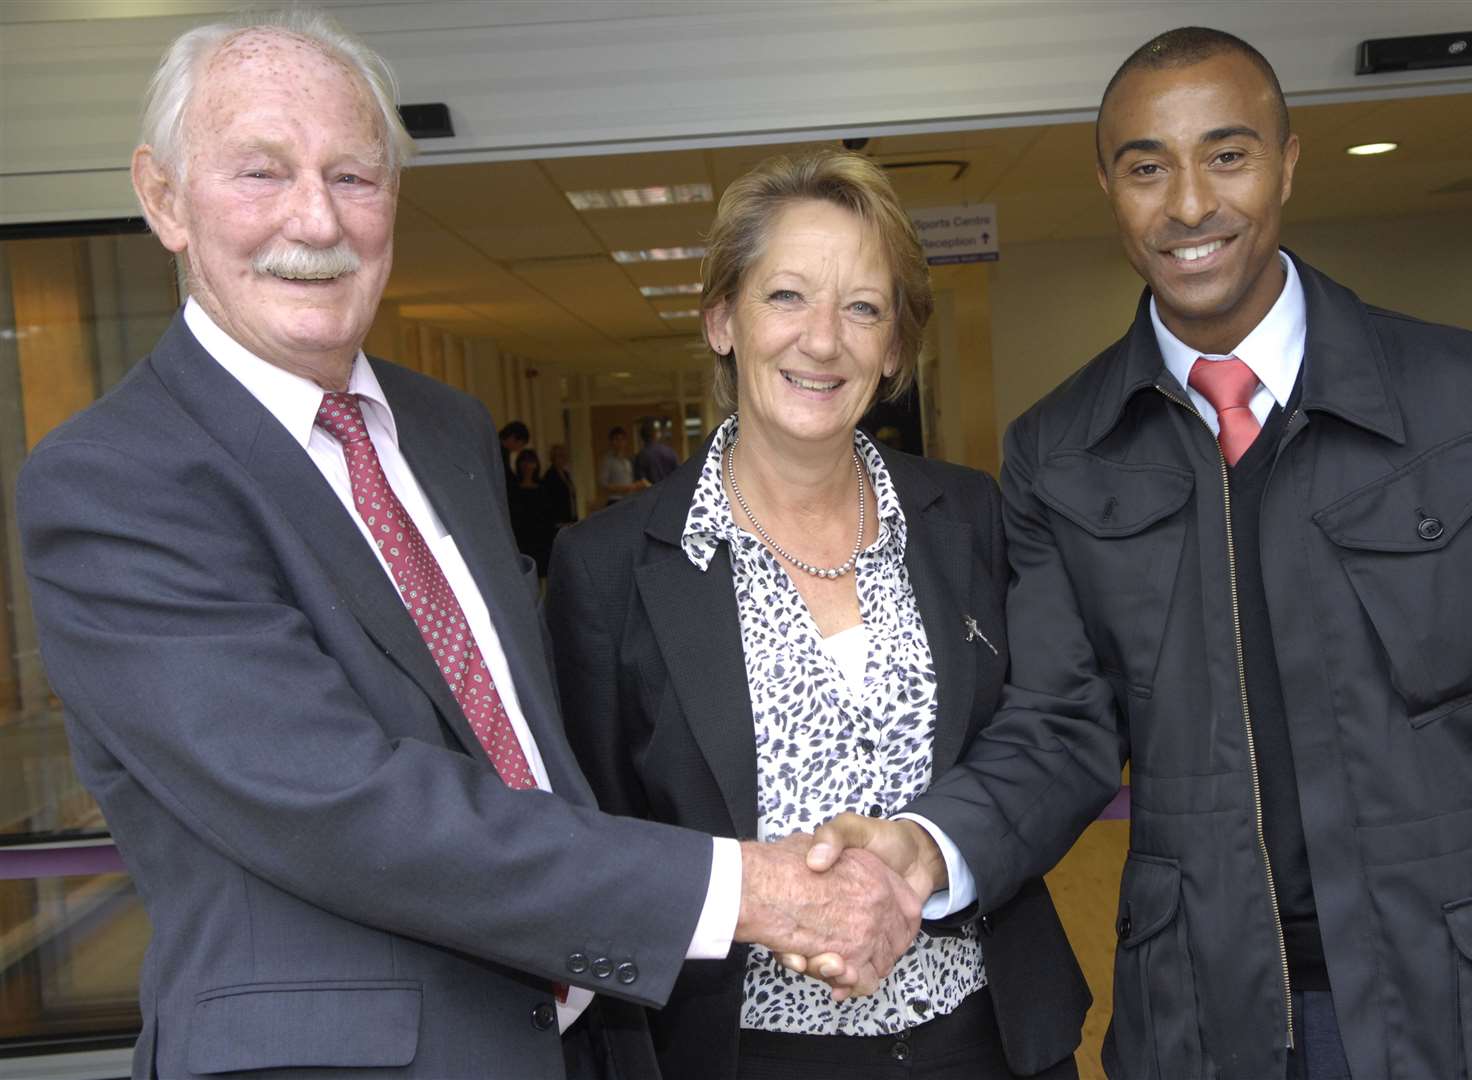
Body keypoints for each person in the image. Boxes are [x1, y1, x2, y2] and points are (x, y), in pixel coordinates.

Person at [15, 13, 923, 1079]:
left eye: (354, 177)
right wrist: (752, 889)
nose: (316, 217)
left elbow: (525, 743)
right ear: (164, 198)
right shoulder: (114, 483)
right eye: (260, 172)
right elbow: (340, 804)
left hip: (580, 1030)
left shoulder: (441, 428)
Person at [805, 26, 1472, 1080]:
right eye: (1147, 167)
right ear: (1108, 184)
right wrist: (928, 847)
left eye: (1227, 156)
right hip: (1204, 1022)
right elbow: (1060, 728)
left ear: (1287, 162)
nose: (1188, 204)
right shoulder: (1059, 451)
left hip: (1465, 1013)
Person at [546, 150, 1087, 1080]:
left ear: (895, 350)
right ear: (723, 319)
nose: (823, 340)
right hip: (741, 1055)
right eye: (786, 296)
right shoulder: (607, 570)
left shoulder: (972, 519)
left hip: (986, 1040)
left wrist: (925, 849)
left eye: (863, 308)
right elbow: (593, 847)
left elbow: (1060, 732)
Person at [538, 442, 580, 572]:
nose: (561, 459)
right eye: (558, 456)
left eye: (563, 456)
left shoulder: (566, 474)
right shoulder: (549, 476)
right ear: (553, 458)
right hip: (558, 522)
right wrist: (556, 521)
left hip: (570, 519)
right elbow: (549, 501)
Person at [509, 447, 551, 574]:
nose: (527, 466)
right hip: (521, 537)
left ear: (536, 465)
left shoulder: (543, 489)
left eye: (531, 462)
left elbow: (547, 514)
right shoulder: (513, 489)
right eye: (524, 461)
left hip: (540, 536)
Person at [598, 425, 644, 504]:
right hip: (615, 500)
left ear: (625, 442)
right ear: (611, 442)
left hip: (629, 499)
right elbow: (604, 485)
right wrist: (627, 487)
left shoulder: (627, 461)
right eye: (616, 439)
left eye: (622, 439)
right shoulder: (608, 461)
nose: (619, 443)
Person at [633, 417, 679, 484]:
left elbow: (641, 481)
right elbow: (678, 475)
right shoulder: (670, 452)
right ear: (656, 435)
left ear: (641, 437)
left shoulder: (641, 456)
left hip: (652, 493)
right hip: (671, 491)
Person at [499, 418, 530, 500]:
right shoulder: (500, 451)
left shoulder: (503, 451)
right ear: (513, 437)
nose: (520, 448)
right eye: (521, 444)